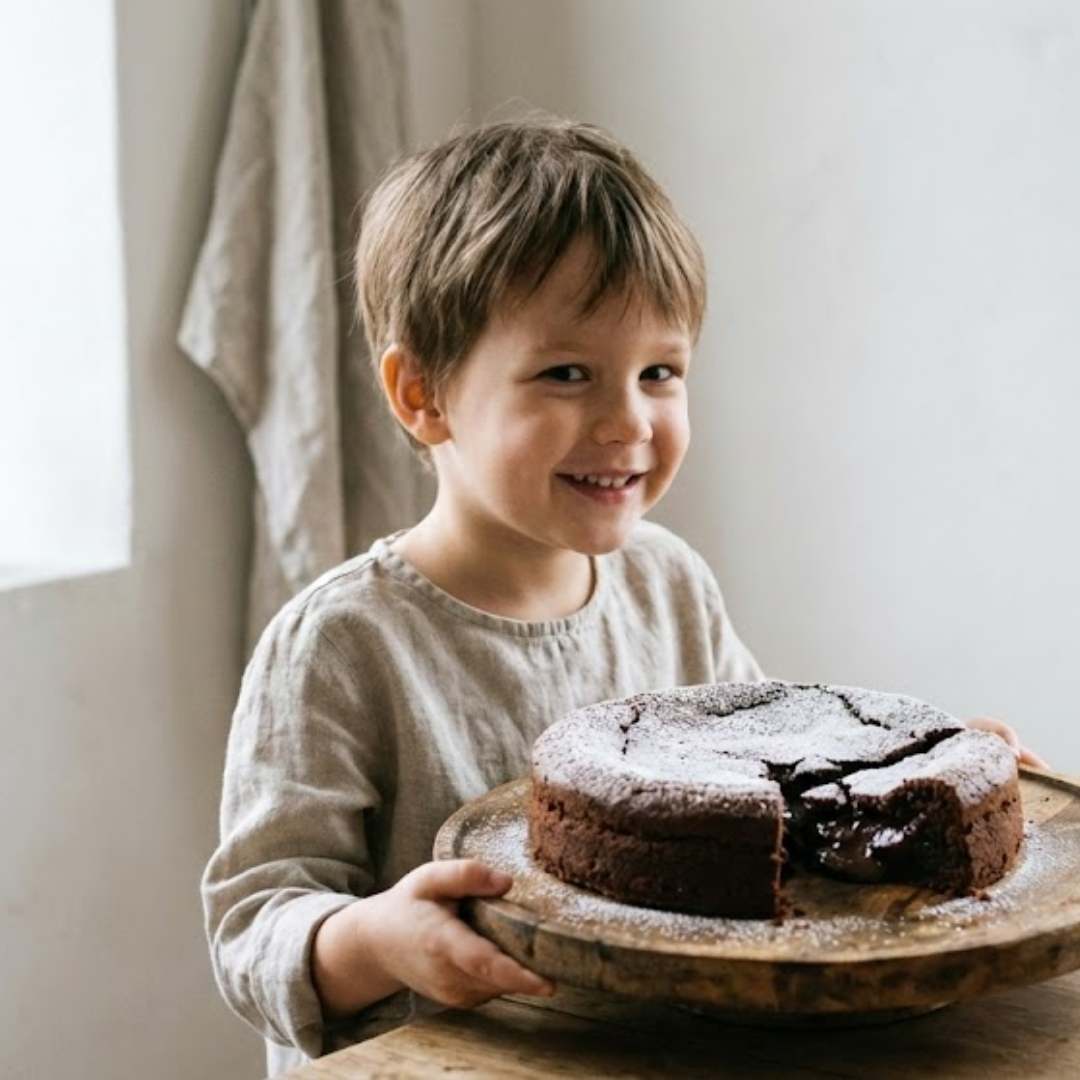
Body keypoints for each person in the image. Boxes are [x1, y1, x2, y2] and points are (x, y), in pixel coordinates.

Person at [201, 114, 1048, 1076]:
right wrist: (373, 940)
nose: (627, 420)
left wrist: (926, 774)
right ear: (421, 393)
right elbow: (252, 928)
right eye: (566, 373)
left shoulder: (668, 582)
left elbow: (785, 793)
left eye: (660, 372)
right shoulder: (345, 642)